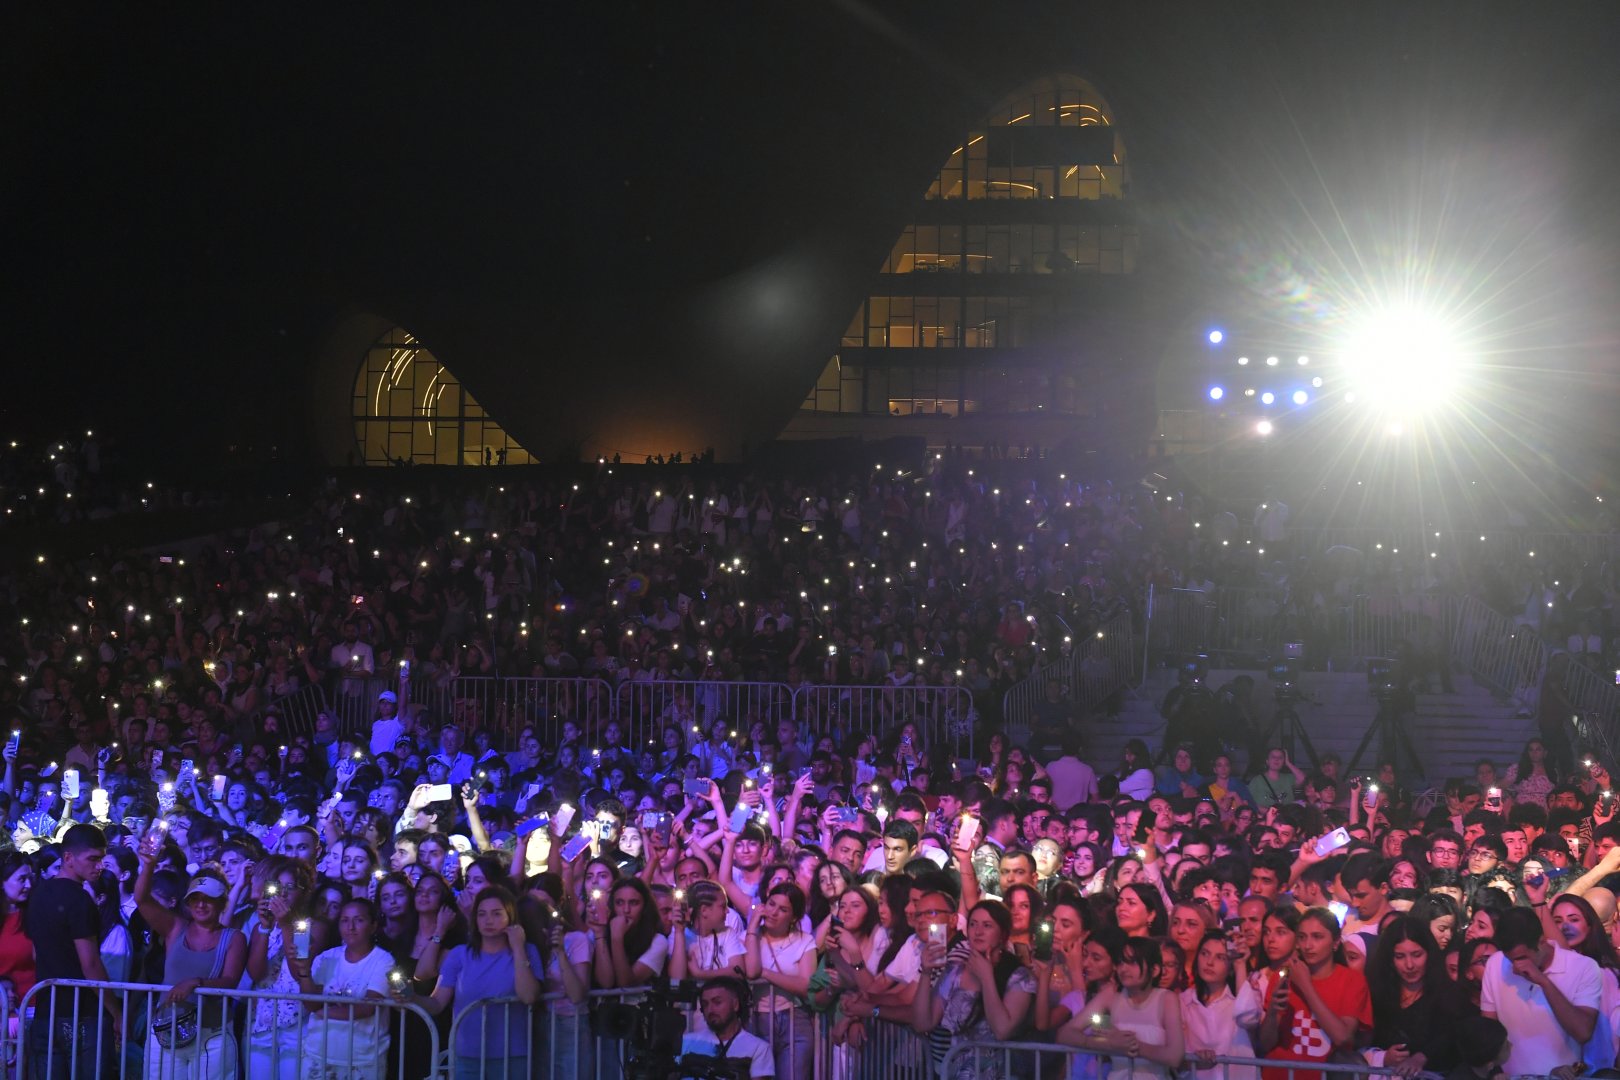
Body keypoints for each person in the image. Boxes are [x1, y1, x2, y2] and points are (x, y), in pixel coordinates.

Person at [396, 885, 542, 1080]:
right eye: (482, 914)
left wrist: (517, 948)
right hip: (467, 1056)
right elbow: (438, 1003)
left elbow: (529, 996)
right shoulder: (459, 954)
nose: (488, 920)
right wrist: (412, 997)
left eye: (497, 914)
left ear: (511, 916)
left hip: (512, 1055)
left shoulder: (527, 951)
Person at [132, 840, 247, 1080]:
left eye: (209, 899)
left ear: (222, 903)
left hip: (211, 1035)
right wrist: (148, 865)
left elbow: (230, 981)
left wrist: (195, 982)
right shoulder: (176, 928)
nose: (202, 904)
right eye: (196, 898)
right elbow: (142, 899)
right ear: (188, 902)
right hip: (166, 1029)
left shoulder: (234, 938)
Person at [25, 824, 120, 1080]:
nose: (99, 866)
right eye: (92, 858)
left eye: (101, 858)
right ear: (68, 858)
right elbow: (90, 964)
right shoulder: (80, 900)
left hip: (47, 1008)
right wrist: (116, 1011)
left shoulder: (37, 894)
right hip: (82, 1013)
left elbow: (36, 954)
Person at [913, 898, 1036, 1080]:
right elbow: (923, 1023)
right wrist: (926, 972)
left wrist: (987, 978)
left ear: (1002, 934)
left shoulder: (1020, 977)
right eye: (973, 924)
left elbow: (1002, 1030)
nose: (978, 931)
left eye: (987, 925)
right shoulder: (955, 969)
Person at [1255, 906, 1371, 1080]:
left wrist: (1306, 986)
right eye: (1302, 937)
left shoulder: (1352, 980)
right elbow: (1266, 1043)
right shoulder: (1284, 975)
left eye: (1317, 937)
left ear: (1336, 941)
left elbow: (1342, 1037)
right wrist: (1272, 1012)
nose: (1308, 945)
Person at [287, 897, 394, 1080]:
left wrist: (323, 1011)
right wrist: (304, 970)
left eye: (358, 920)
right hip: (318, 1054)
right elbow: (311, 1004)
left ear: (373, 925)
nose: (350, 927)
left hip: (362, 1060)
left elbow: (367, 1007)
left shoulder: (383, 960)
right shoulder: (326, 957)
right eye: (344, 920)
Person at [1059, 935, 1184, 1080]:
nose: (1123, 968)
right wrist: (1107, 1044)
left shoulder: (1166, 998)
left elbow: (1175, 1056)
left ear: (1154, 970)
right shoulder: (1111, 995)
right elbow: (1065, 1034)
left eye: (1132, 963)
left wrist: (1132, 1046)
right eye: (1120, 962)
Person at [1365, 915, 1463, 1077]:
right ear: (1390, 960)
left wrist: (1422, 1057)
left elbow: (1450, 1038)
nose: (1409, 965)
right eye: (1400, 957)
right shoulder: (1377, 992)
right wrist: (1384, 1057)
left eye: (1417, 955)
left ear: (1429, 954)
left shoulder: (1448, 993)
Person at [1181, 930, 1261, 1080]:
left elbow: (1247, 1019)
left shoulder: (1241, 1000)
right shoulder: (1183, 1001)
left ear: (1230, 967)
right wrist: (1194, 1059)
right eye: (1204, 953)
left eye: (1220, 957)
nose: (1209, 962)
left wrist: (1240, 964)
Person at [680, 976, 775, 1078]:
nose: (710, 1010)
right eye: (705, 1004)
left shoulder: (759, 1048)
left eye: (717, 1002)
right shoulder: (687, 1041)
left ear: (735, 1005)